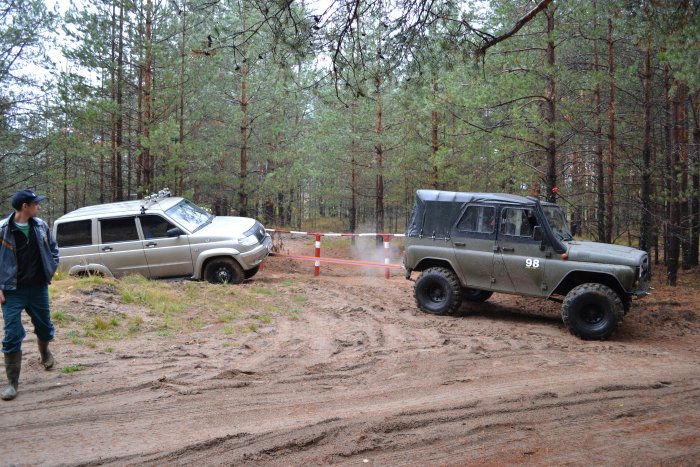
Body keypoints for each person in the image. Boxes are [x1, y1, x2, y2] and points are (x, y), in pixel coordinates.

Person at [0, 189, 59, 401]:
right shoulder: (2, 230)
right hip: (12, 290)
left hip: (38, 288)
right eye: (36, 204)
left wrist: (50, 268)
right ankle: (12, 383)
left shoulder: (41, 226)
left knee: (44, 328)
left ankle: (44, 352)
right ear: (25, 206)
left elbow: (54, 249)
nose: (39, 207)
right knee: (12, 334)